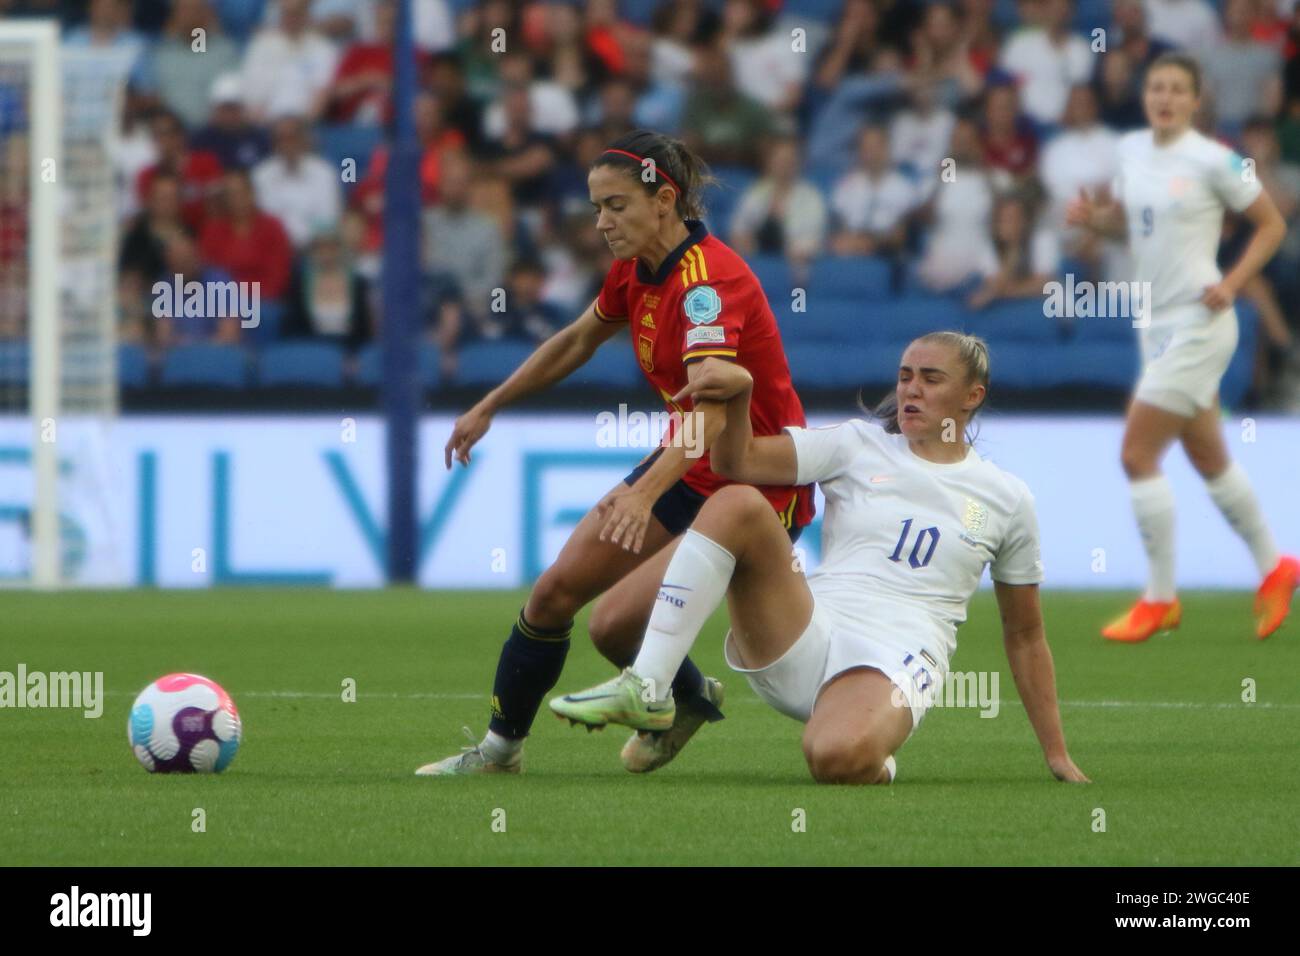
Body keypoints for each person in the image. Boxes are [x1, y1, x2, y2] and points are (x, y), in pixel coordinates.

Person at [416, 130, 814, 776]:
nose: (602, 222)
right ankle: (499, 753)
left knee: (613, 628)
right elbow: (577, 341)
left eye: (616, 205)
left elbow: (713, 418)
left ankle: (697, 698)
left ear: (665, 199)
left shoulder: (709, 285)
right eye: (596, 207)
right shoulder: (635, 269)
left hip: (756, 485)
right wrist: (492, 402)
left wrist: (645, 491)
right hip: (687, 469)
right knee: (554, 598)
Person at [552, 332, 1089, 786]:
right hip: (804, 627)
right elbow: (736, 461)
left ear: (973, 396)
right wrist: (740, 396)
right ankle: (649, 685)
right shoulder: (857, 444)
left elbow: (1024, 634)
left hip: (896, 655)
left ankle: (868, 744)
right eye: (905, 376)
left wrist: (1056, 753)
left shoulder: (1006, 497)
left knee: (834, 759)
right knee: (738, 501)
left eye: (930, 378)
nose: (911, 389)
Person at [1066, 53, 1297, 642]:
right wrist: (1098, 223)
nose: (1164, 97)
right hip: (1156, 323)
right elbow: (1138, 228)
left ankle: (1160, 598)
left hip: (1200, 321)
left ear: (1196, 101)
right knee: (1210, 458)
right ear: (1146, 98)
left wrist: (1232, 283)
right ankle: (1276, 566)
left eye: (1176, 89)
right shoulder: (1133, 154)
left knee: (1136, 456)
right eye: (1156, 88)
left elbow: (1272, 224)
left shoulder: (1216, 160)